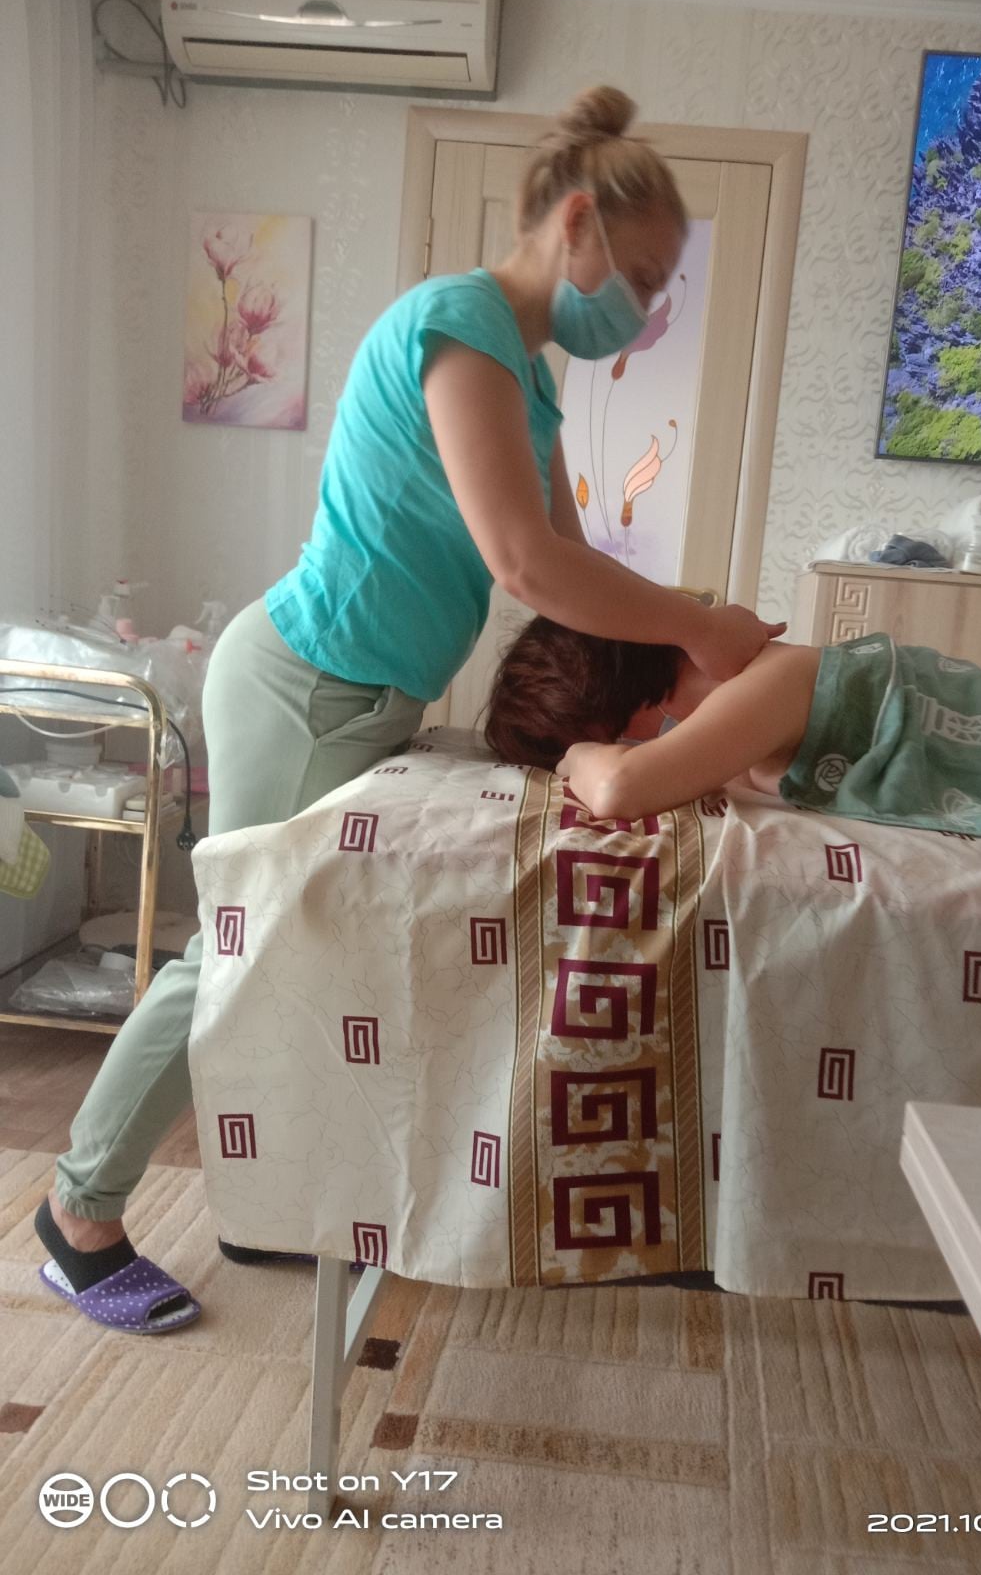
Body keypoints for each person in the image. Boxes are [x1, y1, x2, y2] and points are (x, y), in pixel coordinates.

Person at [34, 84, 785, 1334]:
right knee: (234, 952)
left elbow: (575, 562)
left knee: (303, 949)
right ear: (577, 224)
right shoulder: (460, 326)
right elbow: (527, 566)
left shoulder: (527, 376)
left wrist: (666, 681)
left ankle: (289, 1190)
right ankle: (78, 1213)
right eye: (645, 279)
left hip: (355, 694)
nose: (648, 310)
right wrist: (702, 631)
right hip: (306, 685)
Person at [484, 615, 981, 862]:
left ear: (622, 721)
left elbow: (620, 789)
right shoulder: (737, 719)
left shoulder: (770, 683)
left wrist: (576, 756)